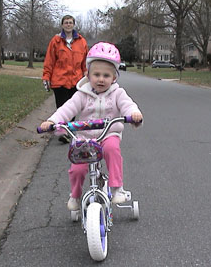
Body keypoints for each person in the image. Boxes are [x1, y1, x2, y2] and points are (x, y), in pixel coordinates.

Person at [40, 42, 143, 211]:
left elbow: (128, 105)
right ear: (87, 74)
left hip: (108, 134)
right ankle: (75, 195)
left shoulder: (118, 93)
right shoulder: (81, 94)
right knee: (77, 169)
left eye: (106, 75)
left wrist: (134, 115)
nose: (101, 79)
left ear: (114, 77)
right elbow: (66, 109)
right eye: (96, 74)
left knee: (112, 149)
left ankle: (117, 188)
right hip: (85, 138)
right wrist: (52, 122)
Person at [42, 15, 88, 144]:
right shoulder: (56, 41)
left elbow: (85, 63)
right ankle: (63, 130)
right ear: (62, 25)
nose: (68, 24)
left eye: (70, 22)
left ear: (74, 25)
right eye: (66, 23)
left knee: (73, 106)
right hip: (60, 80)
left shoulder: (81, 42)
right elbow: (49, 61)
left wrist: (87, 76)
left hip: (76, 81)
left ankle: (67, 131)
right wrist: (46, 76)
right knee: (62, 106)